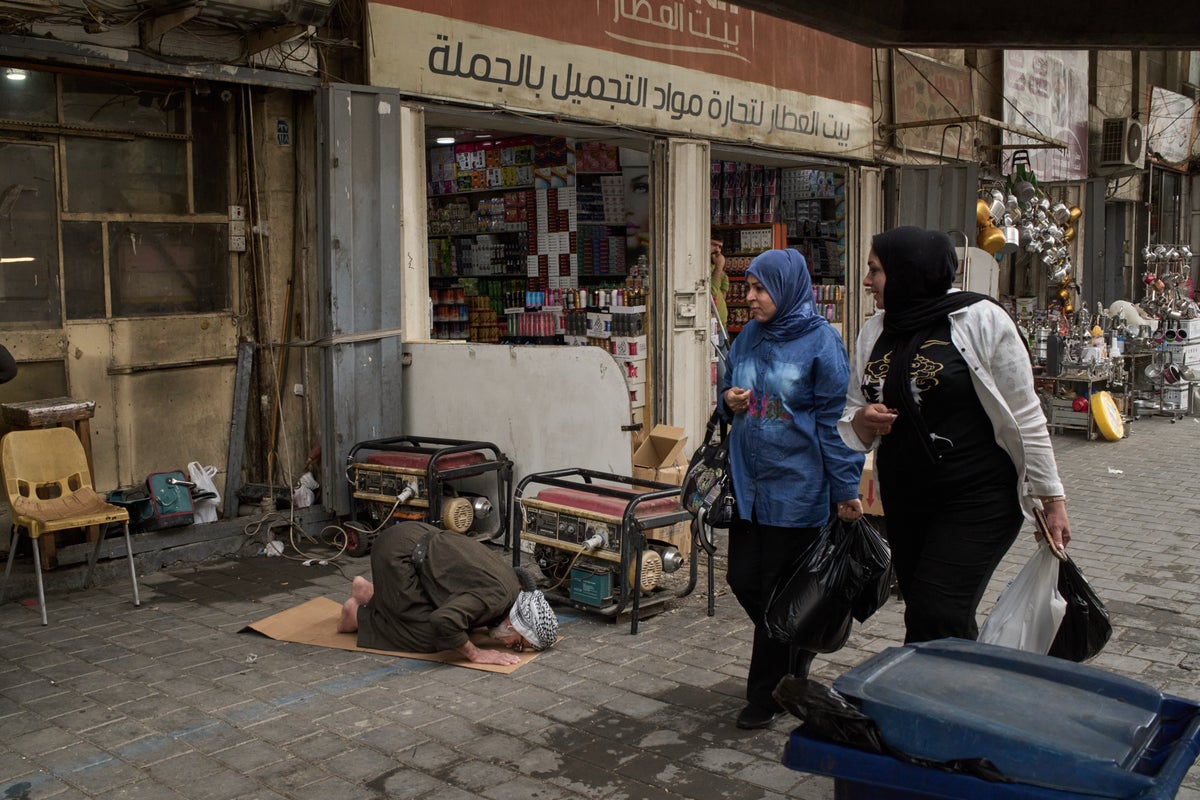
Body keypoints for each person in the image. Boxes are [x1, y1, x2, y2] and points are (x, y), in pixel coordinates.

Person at [838, 226, 1072, 646]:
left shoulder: (979, 319)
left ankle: (931, 697)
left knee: (937, 608)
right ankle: (951, 692)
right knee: (929, 612)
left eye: (875, 270)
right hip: (907, 495)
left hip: (977, 494)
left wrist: (1052, 501)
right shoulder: (874, 331)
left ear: (908, 272)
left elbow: (1026, 414)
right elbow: (853, 408)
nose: (866, 280)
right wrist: (863, 421)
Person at [719, 248, 864, 730]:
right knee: (743, 580)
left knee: (778, 592)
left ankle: (766, 696)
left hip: (796, 492)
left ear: (786, 289)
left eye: (760, 289)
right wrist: (728, 401)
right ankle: (796, 647)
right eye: (749, 288)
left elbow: (833, 423)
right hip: (748, 487)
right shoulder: (748, 337)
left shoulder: (821, 343)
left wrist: (845, 488)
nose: (750, 297)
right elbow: (725, 388)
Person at [338, 520, 559, 666]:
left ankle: (368, 591)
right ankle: (356, 616)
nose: (511, 646)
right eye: (519, 643)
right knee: (431, 637)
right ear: (515, 624)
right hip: (398, 555)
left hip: (411, 536)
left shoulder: (510, 589)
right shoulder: (496, 599)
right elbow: (443, 620)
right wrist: (476, 654)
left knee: (459, 628)